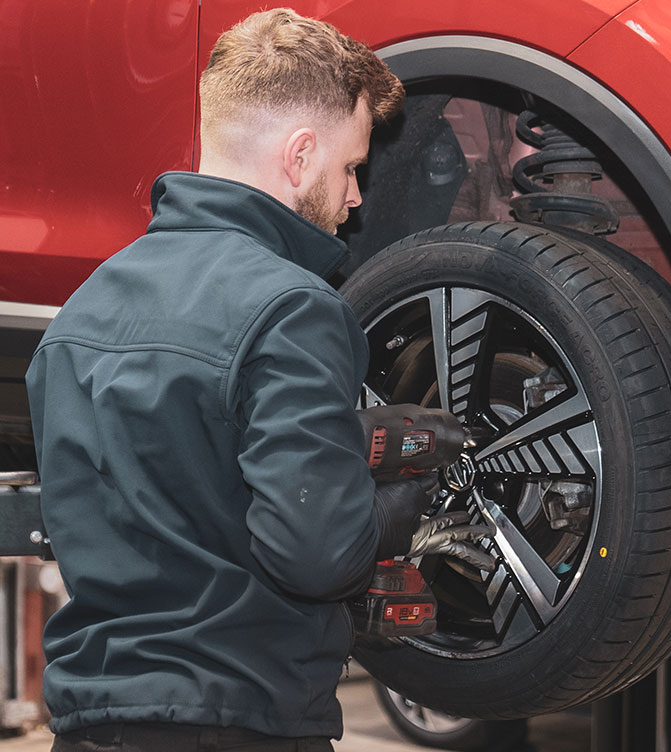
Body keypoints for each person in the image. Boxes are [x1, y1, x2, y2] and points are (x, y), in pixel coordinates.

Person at [26, 9, 491, 752]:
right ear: (300, 154)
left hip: (89, 725)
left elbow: (175, 490)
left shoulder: (80, 316)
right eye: (351, 168)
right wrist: (398, 506)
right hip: (237, 723)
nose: (357, 198)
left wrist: (339, 450)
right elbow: (315, 554)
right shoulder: (292, 307)